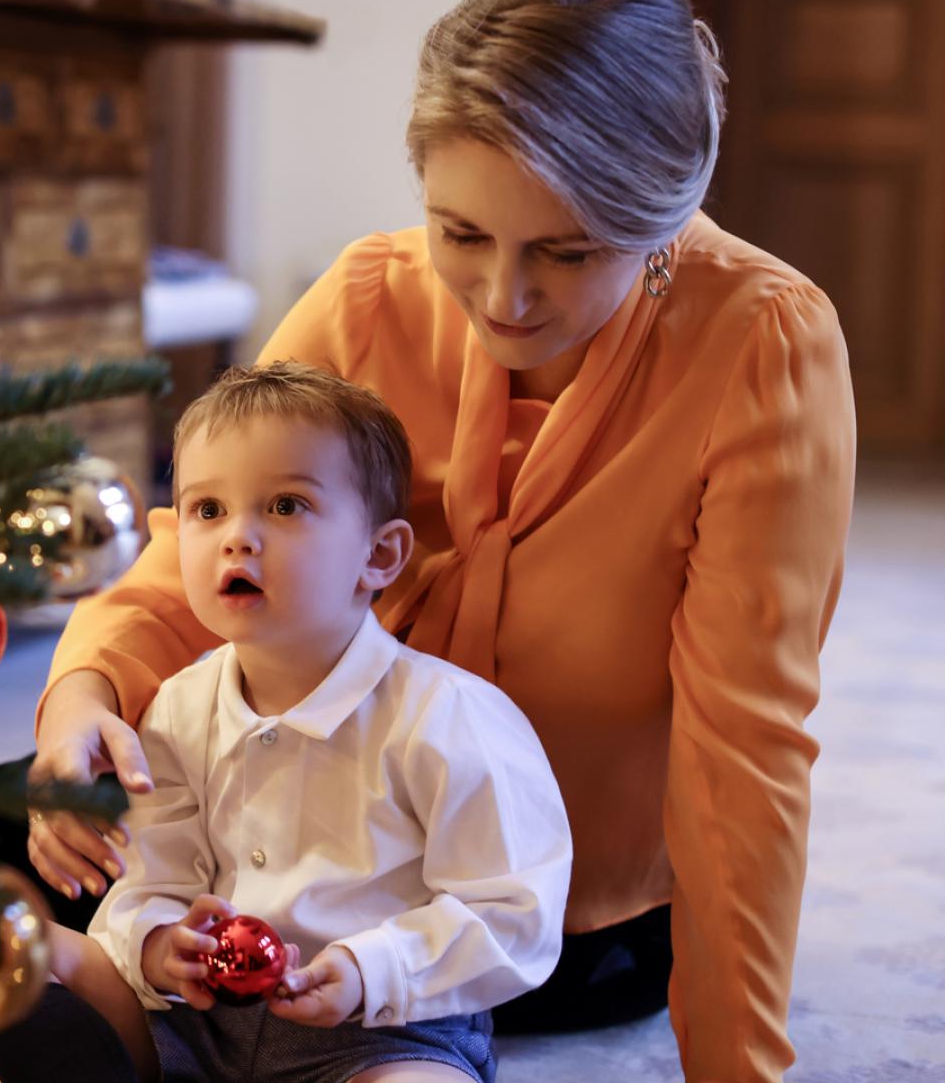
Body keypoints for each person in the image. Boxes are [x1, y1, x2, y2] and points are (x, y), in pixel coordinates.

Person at [0, 0, 858, 1083]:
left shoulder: (762, 345)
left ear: (659, 225)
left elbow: (743, 749)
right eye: (462, 235)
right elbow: (203, 549)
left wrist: (736, 1066)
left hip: (528, 917)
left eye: (567, 251)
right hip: (265, 855)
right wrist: (85, 702)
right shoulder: (363, 298)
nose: (504, 297)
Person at [36, 361, 572, 1083]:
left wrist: (366, 970)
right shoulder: (177, 708)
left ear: (378, 555)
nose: (237, 538)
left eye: (285, 507)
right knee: (39, 955)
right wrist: (162, 944)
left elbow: (514, 915)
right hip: (198, 1024)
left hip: (381, 1032)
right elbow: (151, 877)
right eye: (207, 510)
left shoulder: (450, 719)